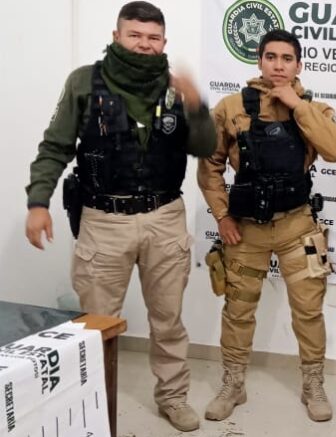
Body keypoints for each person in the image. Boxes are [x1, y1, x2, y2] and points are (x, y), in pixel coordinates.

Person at [24, 1, 216, 432]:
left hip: (165, 218)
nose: (144, 44)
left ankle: (173, 397)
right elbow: (55, 147)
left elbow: (204, 147)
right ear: (117, 36)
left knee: (168, 321)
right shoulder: (84, 82)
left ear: (163, 42)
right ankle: (88, 405)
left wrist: (197, 105)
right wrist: (38, 203)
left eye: (153, 38)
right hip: (104, 221)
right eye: (135, 35)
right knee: (96, 325)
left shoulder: (176, 88)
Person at [197, 29, 336, 423]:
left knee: (308, 311)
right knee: (238, 309)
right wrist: (222, 216)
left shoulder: (315, 109)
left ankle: (313, 384)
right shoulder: (232, 107)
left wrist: (298, 106)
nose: (278, 65)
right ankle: (233, 383)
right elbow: (210, 166)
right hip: (246, 229)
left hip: (298, 227)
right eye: (271, 57)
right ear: (259, 61)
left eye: (287, 58)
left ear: (299, 65)